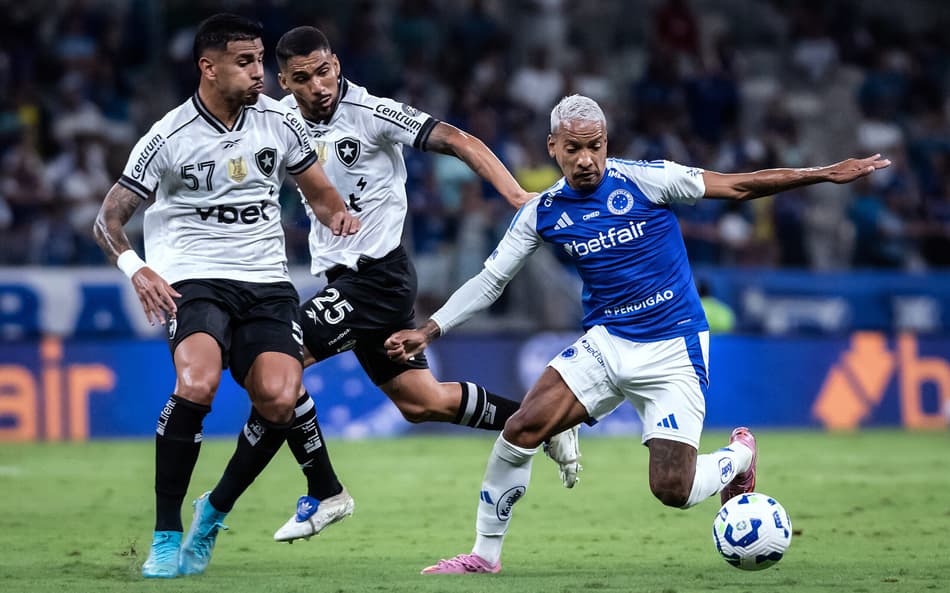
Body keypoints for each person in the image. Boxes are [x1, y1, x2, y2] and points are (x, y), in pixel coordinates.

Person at [384, 94, 890, 574]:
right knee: (521, 428)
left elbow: (737, 185)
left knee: (672, 488)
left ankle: (739, 456)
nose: (587, 159)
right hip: (606, 344)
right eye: (574, 148)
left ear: (607, 142)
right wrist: (430, 329)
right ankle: (484, 555)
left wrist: (821, 174)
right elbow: (491, 280)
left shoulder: (648, 181)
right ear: (553, 148)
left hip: (673, 348)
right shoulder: (542, 213)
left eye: (596, 146)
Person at [246, 26, 581, 544]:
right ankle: (546, 422)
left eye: (325, 70)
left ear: (336, 63)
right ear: (284, 82)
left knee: (276, 359)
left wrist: (516, 196)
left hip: (378, 279)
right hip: (345, 279)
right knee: (422, 402)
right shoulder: (280, 120)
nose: (318, 85)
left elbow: (459, 140)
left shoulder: (374, 112)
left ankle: (325, 491)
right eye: (303, 78)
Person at [92, 14, 359, 579]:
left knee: (280, 399)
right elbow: (107, 221)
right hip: (193, 278)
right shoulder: (167, 137)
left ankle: (212, 511)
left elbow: (323, 196)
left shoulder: (279, 125)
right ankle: (166, 536)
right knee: (197, 383)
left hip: (266, 283)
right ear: (208, 68)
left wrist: (342, 217)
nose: (259, 71)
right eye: (245, 61)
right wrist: (137, 269)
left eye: (260, 59)